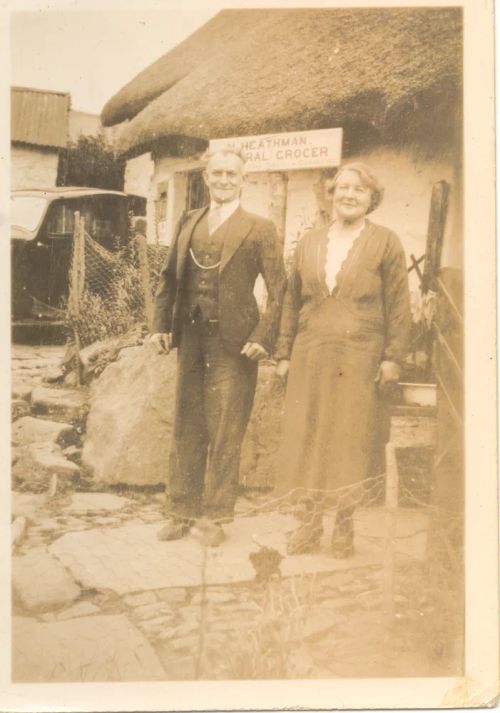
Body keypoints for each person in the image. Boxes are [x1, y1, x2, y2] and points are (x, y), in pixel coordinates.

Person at [148, 146, 286, 546]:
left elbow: (280, 291)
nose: (224, 180)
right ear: (206, 177)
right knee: (187, 423)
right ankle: (180, 510)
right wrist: (160, 325)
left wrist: (263, 338)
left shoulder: (259, 228)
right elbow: (169, 279)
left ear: (244, 181)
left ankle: (215, 516)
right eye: (218, 173)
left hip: (235, 344)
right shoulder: (189, 221)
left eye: (232, 175)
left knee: (226, 428)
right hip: (191, 340)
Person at [274, 162, 411, 557]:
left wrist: (393, 358)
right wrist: (283, 352)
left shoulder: (386, 242)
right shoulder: (309, 241)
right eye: (343, 188)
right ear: (331, 194)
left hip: (359, 354)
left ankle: (345, 526)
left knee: (347, 438)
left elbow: (400, 306)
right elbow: (290, 300)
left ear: (372, 199)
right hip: (311, 351)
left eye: (359, 190)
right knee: (310, 434)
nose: (349, 195)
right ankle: (310, 524)